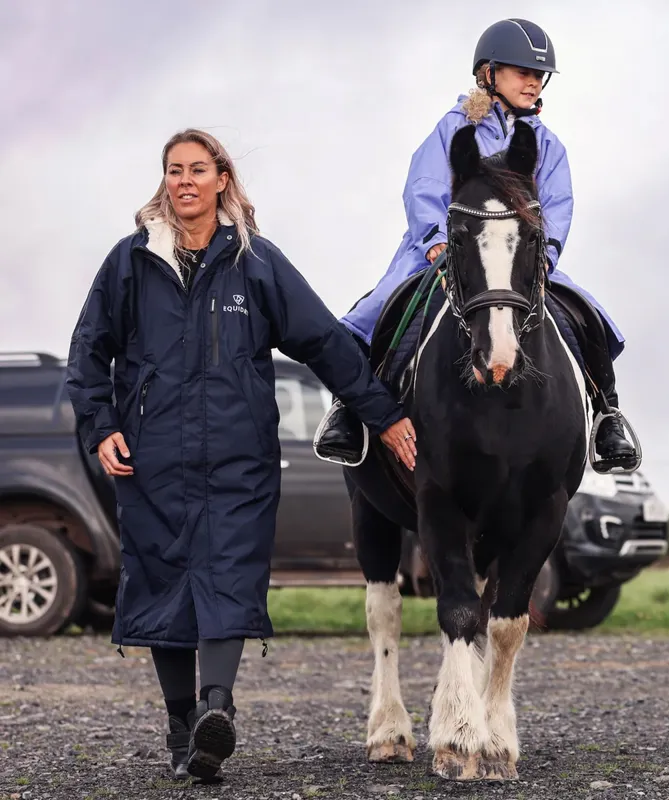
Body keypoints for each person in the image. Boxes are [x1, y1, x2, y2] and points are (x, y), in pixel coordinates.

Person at [65, 129, 417, 782]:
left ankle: (215, 710)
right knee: (166, 586)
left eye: (198, 169)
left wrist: (385, 415)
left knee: (229, 576)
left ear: (223, 178)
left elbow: (326, 344)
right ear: (165, 180)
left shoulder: (257, 264)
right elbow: (88, 349)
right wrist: (99, 425)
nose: (185, 181)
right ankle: (181, 733)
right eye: (175, 171)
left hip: (239, 460)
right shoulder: (130, 262)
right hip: (152, 458)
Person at [318, 18, 639, 474]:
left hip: (520, 259)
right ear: (488, 73)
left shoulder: (548, 145)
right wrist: (434, 242)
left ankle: (607, 415)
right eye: (521, 71)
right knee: (373, 316)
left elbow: (558, 204)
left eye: (538, 74)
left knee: (586, 316)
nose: (533, 81)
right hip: (446, 251)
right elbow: (424, 186)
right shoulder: (452, 128)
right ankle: (349, 414)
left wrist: (544, 254)